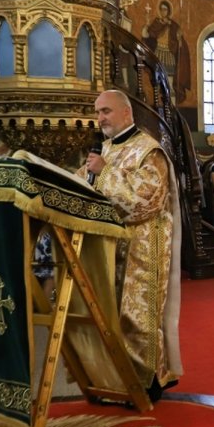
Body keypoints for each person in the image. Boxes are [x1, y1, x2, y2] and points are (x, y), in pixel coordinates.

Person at [84, 90, 182, 399]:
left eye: (106, 111)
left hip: (143, 245)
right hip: (108, 245)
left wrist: (105, 173)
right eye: (97, 112)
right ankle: (115, 380)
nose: (100, 118)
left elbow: (145, 201)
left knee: (137, 317)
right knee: (110, 314)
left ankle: (146, 381)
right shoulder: (105, 150)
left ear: (127, 112)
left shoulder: (148, 150)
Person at [141, 0, 192, 105]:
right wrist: (146, 27)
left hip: (169, 54)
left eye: (165, 9)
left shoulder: (173, 26)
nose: (163, 11)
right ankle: (159, 105)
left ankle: (172, 106)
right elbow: (147, 37)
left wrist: (179, 39)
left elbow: (180, 44)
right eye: (161, 9)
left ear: (168, 11)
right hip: (158, 53)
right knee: (157, 81)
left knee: (170, 81)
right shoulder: (156, 23)